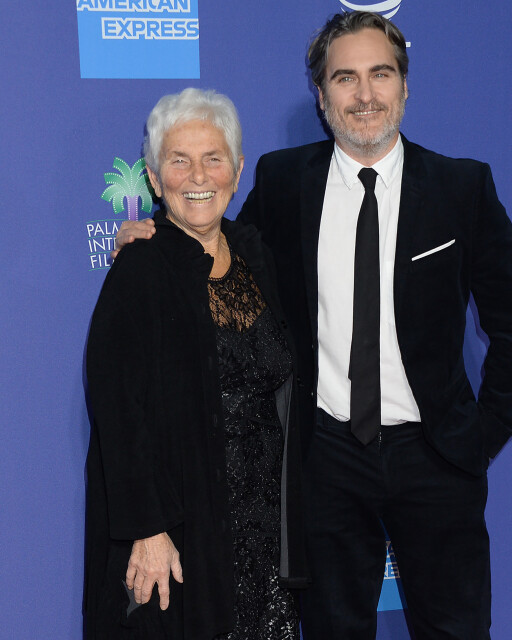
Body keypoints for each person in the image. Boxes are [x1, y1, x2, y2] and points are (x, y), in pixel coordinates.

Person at [114, 12, 512, 640]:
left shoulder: (461, 187)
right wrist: (154, 234)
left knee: (456, 629)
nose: (364, 95)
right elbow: (218, 239)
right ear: (321, 95)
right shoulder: (285, 181)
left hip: (438, 456)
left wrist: (480, 438)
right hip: (326, 459)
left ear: (404, 86)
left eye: (380, 75)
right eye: (345, 78)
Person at [84, 87, 307, 640]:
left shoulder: (259, 256)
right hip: (184, 536)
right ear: (156, 181)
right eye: (178, 161)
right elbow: (118, 411)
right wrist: (149, 529)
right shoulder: (140, 272)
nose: (198, 175)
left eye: (213, 158)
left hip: (267, 534)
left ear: (237, 169)